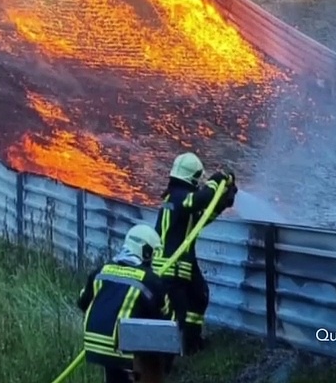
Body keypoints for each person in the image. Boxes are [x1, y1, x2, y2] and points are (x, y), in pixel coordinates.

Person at [152, 152, 237, 355]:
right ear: (193, 177)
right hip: (171, 268)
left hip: (182, 265)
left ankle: (191, 343)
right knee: (178, 311)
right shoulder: (179, 196)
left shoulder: (178, 198)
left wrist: (222, 202)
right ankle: (167, 355)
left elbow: (201, 219)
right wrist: (217, 180)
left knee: (199, 296)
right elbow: (200, 200)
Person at [77, 224, 174, 383]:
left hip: (95, 343)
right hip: (124, 346)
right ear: (146, 252)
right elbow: (166, 317)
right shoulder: (150, 280)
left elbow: (82, 302)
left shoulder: (101, 271)